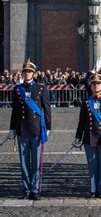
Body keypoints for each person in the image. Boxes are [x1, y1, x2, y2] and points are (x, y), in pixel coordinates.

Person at [8, 59, 51, 200]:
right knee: (24, 163)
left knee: (37, 162)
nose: (27, 73)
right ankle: (26, 188)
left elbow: (47, 109)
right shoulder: (17, 89)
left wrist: (48, 127)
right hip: (21, 129)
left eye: (29, 72)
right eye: (25, 71)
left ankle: (35, 189)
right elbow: (15, 111)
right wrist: (12, 128)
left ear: (34, 74)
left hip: (37, 130)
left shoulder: (41, 88)